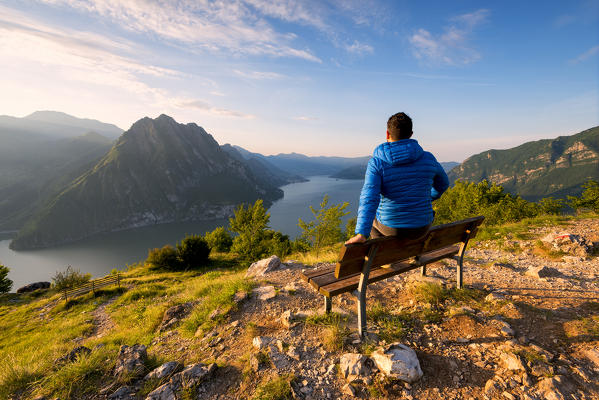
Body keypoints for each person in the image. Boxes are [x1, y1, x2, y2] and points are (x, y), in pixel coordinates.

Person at [345, 112, 449, 244]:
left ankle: (382, 257)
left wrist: (361, 233)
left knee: (372, 220)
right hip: (423, 226)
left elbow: (369, 198)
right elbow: (443, 184)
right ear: (411, 134)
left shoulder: (377, 162)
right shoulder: (428, 158)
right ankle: (412, 254)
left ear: (387, 134)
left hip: (391, 228)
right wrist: (429, 197)